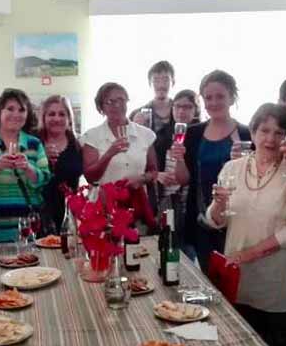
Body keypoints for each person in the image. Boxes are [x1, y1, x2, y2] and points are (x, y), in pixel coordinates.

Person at [206, 103, 286, 346]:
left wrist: (251, 254)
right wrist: (217, 206)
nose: (271, 139)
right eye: (264, 131)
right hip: (235, 275)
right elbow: (217, 221)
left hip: (273, 279)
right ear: (252, 132)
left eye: (279, 132)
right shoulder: (232, 169)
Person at [175, 70, 251, 270]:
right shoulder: (193, 133)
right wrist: (179, 158)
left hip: (236, 220)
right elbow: (183, 180)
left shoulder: (246, 133)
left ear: (232, 97)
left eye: (220, 96)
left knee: (233, 279)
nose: (214, 102)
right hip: (202, 221)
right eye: (208, 97)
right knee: (208, 277)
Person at [0, 88, 50, 244]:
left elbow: (44, 179)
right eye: (10, 109)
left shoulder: (34, 143)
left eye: (22, 110)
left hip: (29, 228)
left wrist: (28, 168)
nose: (16, 114)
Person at [80, 82, 159, 228]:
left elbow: (154, 171)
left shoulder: (145, 134)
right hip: (104, 206)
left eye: (121, 100)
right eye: (110, 101)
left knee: (139, 248)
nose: (117, 105)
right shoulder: (92, 136)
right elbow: (90, 176)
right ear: (101, 107)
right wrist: (109, 154)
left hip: (137, 204)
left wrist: (141, 179)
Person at [153, 89, 200, 247]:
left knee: (188, 254)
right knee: (167, 248)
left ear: (195, 110)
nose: (181, 111)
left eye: (187, 107)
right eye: (177, 106)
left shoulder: (201, 135)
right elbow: (148, 167)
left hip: (192, 204)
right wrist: (157, 175)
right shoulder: (161, 134)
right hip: (166, 201)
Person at [38, 95, 84, 233]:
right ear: (43, 118)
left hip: (69, 213)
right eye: (51, 114)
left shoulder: (78, 144)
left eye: (62, 114)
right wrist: (40, 157)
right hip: (38, 212)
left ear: (69, 119)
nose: (57, 119)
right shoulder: (33, 142)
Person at [131, 60, 176, 134]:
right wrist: (135, 128)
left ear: (173, 82)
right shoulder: (136, 114)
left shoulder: (183, 110)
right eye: (156, 80)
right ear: (149, 84)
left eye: (165, 80)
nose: (161, 85)